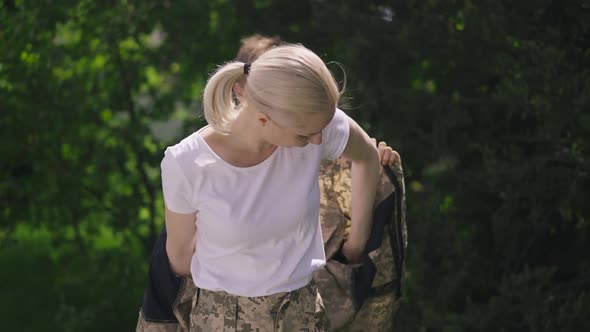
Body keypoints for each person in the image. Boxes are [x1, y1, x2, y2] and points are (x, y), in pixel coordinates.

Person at [162, 43, 380, 331]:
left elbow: (367, 158)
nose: (317, 141)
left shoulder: (317, 123)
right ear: (264, 119)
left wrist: (356, 244)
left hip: (304, 317)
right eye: (304, 135)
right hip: (222, 321)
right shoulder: (187, 163)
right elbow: (179, 259)